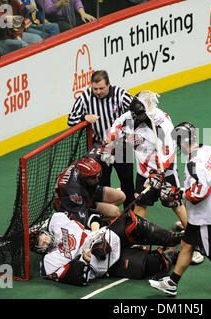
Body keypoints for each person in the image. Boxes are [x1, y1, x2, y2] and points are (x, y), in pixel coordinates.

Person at [149, 122, 211, 299]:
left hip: (205, 218)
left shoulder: (194, 163)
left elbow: (198, 193)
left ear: (181, 142)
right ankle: (172, 283)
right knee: (187, 244)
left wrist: (178, 194)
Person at [29, 209, 181, 286]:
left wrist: (95, 230)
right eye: (41, 243)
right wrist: (86, 258)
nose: (46, 241)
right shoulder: (50, 262)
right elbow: (80, 277)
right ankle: (171, 254)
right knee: (153, 264)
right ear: (39, 250)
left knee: (133, 222)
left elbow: (91, 215)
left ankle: (174, 238)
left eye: (44, 237)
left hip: (107, 236)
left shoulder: (58, 222)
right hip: (105, 263)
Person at [106, 90, 188, 230]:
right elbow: (117, 124)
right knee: (140, 204)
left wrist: (160, 173)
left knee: (175, 204)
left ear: (146, 113)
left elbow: (169, 152)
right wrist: (111, 139)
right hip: (143, 171)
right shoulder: (133, 115)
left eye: (138, 115)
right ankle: (139, 238)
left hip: (164, 172)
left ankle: (195, 239)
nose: (134, 117)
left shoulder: (162, 125)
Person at [68, 70, 136, 210]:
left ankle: (130, 216)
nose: (98, 92)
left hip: (122, 146)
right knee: (102, 183)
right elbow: (71, 120)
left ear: (109, 85)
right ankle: (107, 217)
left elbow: (135, 113)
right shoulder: (85, 97)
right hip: (100, 148)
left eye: (101, 88)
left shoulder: (120, 94)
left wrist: (124, 134)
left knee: (127, 182)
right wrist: (84, 118)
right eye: (95, 89)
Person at [54, 156, 126, 220]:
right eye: (93, 178)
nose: (97, 180)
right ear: (85, 178)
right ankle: (100, 221)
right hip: (75, 207)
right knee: (115, 212)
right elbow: (79, 216)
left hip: (88, 191)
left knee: (121, 196)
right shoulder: (74, 192)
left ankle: (103, 215)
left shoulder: (82, 163)